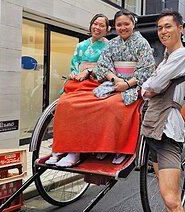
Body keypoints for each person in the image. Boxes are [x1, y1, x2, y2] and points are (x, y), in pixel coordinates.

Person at [48, 10, 155, 167]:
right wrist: (115, 79)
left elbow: (147, 68)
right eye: (119, 24)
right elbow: (103, 65)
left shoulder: (141, 43)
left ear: (133, 24)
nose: (123, 27)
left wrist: (127, 83)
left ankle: (118, 148)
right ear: (115, 27)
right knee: (92, 104)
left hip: (133, 84)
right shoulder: (112, 44)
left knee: (112, 105)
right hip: (112, 82)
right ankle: (85, 147)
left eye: (126, 24)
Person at [141, 9, 185, 212]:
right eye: (160, 28)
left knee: (173, 200)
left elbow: (154, 84)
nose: (163, 31)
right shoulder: (166, 57)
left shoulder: (182, 55)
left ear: (180, 28)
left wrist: (149, 88)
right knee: (165, 194)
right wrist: (149, 88)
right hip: (154, 126)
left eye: (168, 26)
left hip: (168, 130)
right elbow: (150, 87)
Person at [46, 14, 110, 166]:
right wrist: (74, 73)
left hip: (96, 82)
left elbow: (106, 69)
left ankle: (75, 151)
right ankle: (60, 147)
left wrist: (88, 72)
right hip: (79, 81)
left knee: (79, 107)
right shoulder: (81, 45)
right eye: (95, 24)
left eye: (102, 25)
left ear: (107, 29)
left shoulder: (109, 47)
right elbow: (75, 63)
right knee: (63, 104)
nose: (98, 28)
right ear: (90, 25)